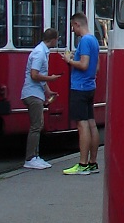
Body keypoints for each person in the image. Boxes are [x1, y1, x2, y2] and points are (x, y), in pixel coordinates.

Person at [63, 12, 100, 175]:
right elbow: (95, 66)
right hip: (90, 85)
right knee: (91, 123)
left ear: (78, 24)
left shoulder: (84, 41)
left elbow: (83, 64)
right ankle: (93, 162)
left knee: (82, 124)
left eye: (73, 26)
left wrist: (69, 60)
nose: (73, 30)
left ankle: (83, 164)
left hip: (80, 87)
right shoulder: (94, 40)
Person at [21, 28, 60, 170]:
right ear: (53, 39)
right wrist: (51, 78)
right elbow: (34, 75)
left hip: (35, 93)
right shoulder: (39, 53)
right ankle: (30, 158)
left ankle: (35, 156)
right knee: (36, 126)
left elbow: (39, 77)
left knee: (38, 125)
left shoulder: (42, 52)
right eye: (57, 39)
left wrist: (48, 92)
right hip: (32, 94)